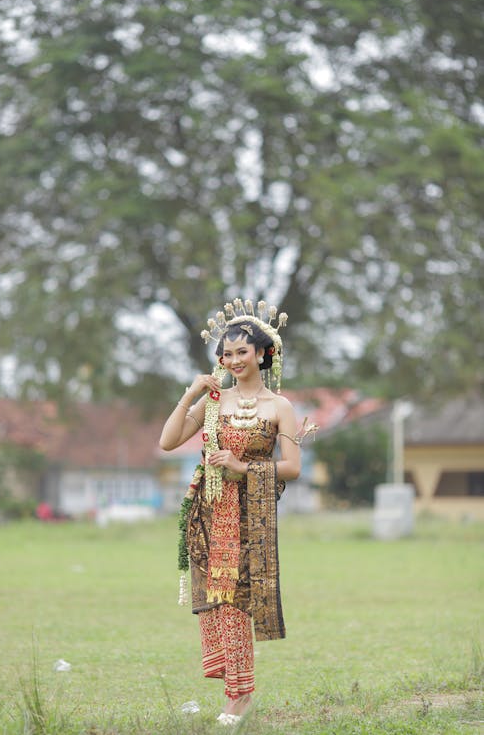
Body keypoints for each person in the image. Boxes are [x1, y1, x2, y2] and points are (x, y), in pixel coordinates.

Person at [159, 299, 302, 725]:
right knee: (219, 604)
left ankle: (239, 696)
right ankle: (232, 689)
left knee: (237, 601)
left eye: (242, 351)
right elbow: (168, 441)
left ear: (262, 352)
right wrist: (191, 393)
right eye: (226, 353)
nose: (233, 359)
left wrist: (243, 468)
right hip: (208, 514)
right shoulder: (215, 401)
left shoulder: (280, 407)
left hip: (249, 516)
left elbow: (292, 467)